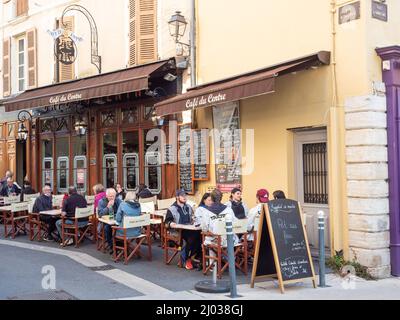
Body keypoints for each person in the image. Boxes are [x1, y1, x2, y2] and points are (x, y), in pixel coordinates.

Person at [165, 189, 201, 270]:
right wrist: (172, 224)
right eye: (182, 195)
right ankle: (186, 259)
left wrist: (194, 219)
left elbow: (192, 217)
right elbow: (167, 222)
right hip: (177, 231)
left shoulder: (188, 207)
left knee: (200, 235)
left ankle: (194, 257)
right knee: (191, 238)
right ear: (177, 197)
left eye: (185, 195)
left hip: (189, 228)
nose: (185, 197)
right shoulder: (172, 209)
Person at [98, 188, 122, 252]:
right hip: (106, 222)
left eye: (113, 196)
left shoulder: (118, 200)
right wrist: (107, 207)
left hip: (116, 221)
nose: (112, 198)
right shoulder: (102, 201)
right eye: (110, 196)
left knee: (122, 227)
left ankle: (121, 245)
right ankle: (113, 247)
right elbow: (100, 214)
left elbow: (122, 210)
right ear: (106, 196)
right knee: (107, 228)